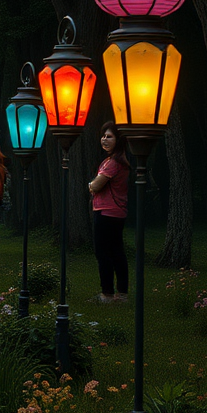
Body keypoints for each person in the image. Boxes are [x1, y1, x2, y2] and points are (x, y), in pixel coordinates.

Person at [89, 121, 130, 303]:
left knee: (103, 253)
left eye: (109, 136)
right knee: (116, 251)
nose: (104, 140)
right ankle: (122, 294)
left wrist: (91, 184)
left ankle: (107, 294)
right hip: (116, 212)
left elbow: (96, 185)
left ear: (118, 140)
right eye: (103, 136)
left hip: (106, 212)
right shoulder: (117, 160)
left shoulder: (113, 163)